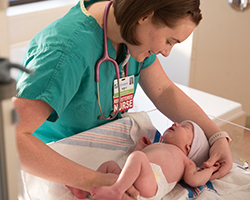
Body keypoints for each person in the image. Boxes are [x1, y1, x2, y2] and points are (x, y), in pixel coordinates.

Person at [13, 0, 232, 199]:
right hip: (54, 161)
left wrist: (217, 136)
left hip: (106, 153)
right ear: (145, 15)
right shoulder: (64, 51)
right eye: (169, 41)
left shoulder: (129, 34)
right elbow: (12, 137)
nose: (166, 52)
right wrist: (95, 181)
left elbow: (164, 90)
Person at [90, 121, 219, 200]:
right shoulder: (156, 145)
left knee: (138, 157)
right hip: (130, 178)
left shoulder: (186, 161)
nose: (176, 123)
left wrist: (210, 169)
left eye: (184, 127)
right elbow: (132, 164)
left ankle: (117, 190)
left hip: (152, 184)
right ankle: (86, 189)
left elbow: (194, 179)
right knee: (110, 165)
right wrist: (139, 148)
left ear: (189, 146)